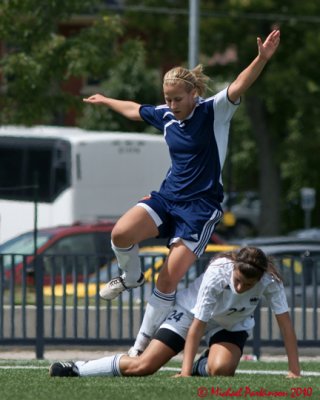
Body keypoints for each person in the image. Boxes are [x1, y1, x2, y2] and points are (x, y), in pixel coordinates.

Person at [82, 30, 281, 356]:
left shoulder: (214, 111)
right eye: (167, 98)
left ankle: (138, 349)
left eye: (177, 98)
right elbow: (135, 110)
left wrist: (261, 58)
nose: (171, 104)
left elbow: (241, 84)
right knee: (121, 233)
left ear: (193, 93)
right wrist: (105, 100)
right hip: (168, 197)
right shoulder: (166, 116)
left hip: (200, 208)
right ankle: (131, 277)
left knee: (166, 280)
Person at [49, 246, 300, 378]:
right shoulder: (217, 272)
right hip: (190, 315)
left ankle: (204, 363)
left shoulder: (271, 282)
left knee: (222, 371)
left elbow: (286, 326)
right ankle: (78, 369)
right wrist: (183, 371)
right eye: (238, 280)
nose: (240, 287)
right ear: (234, 268)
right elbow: (197, 325)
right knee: (143, 367)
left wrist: (294, 371)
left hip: (230, 325)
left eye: (248, 285)